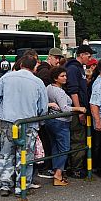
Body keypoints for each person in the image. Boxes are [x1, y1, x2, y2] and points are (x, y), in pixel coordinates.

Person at [0, 55, 48, 197]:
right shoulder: (37, 82)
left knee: (5, 154)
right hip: (28, 124)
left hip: (8, 122)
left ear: (20, 65)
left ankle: (4, 185)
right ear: (34, 68)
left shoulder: (6, 78)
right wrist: (40, 121)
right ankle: (22, 187)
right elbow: (43, 108)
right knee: (25, 155)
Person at [45, 66, 86, 186]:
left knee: (55, 147)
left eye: (65, 75)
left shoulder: (48, 88)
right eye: (62, 76)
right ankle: (58, 174)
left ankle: (56, 171)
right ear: (55, 78)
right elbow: (64, 108)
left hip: (50, 120)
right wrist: (79, 108)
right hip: (61, 121)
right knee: (64, 148)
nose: (65, 78)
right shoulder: (60, 92)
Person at [64, 44, 95, 179]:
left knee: (80, 139)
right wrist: (79, 111)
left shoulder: (78, 68)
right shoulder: (73, 69)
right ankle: (75, 168)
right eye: (88, 55)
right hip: (78, 110)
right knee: (78, 139)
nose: (90, 57)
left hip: (81, 107)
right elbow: (73, 91)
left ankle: (77, 166)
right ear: (81, 54)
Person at [35, 47, 65, 179]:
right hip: (45, 111)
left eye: (59, 58)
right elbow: (42, 93)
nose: (58, 61)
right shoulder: (46, 72)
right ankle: (44, 167)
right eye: (56, 58)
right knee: (46, 141)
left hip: (45, 110)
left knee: (47, 141)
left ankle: (45, 166)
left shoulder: (45, 70)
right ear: (50, 57)